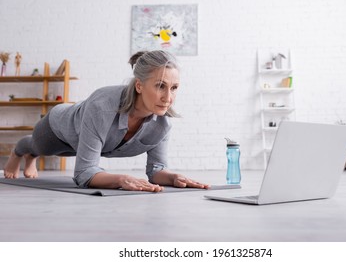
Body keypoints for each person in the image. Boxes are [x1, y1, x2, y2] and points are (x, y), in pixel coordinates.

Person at [4, 50, 209, 192]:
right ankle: (20, 153)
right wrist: (121, 180)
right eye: (160, 86)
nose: (168, 97)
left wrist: (173, 178)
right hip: (59, 128)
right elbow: (84, 173)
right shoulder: (102, 106)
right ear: (139, 86)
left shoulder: (163, 124)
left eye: (174, 88)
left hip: (88, 143)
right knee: (37, 146)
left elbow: (156, 171)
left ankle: (31, 156)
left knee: (58, 150)